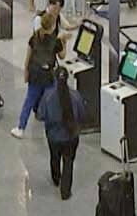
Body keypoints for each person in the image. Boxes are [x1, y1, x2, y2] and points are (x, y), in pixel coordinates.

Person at [12, 10, 62, 139]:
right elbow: (62, 56)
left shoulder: (34, 37)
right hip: (48, 76)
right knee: (52, 101)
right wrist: (65, 43)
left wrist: (26, 72)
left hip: (35, 74)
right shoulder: (55, 41)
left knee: (29, 101)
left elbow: (28, 58)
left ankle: (20, 128)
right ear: (52, 26)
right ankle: (53, 129)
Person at [39, 69, 86, 200]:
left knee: (54, 157)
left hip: (53, 136)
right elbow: (82, 115)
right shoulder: (75, 96)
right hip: (71, 136)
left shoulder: (48, 96)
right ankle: (65, 191)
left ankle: (56, 178)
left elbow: (41, 115)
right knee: (68, 162)